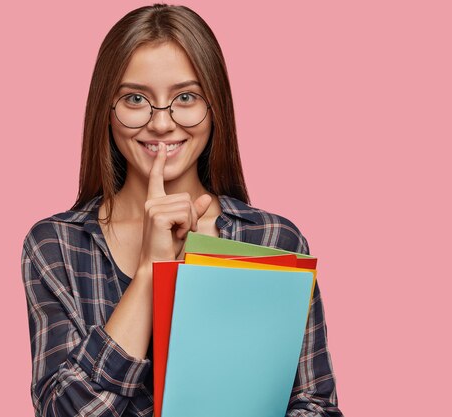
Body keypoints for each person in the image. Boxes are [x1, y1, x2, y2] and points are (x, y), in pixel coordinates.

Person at [21, 3, 343, 416]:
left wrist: (211, 278)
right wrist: (151, 270)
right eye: (136, 98)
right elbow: (63, 410)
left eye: (185, 97)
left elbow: (315, 406)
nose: (161, 123)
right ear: (106, 109)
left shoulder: (272, 240)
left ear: (215, 108)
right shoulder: (57, 245)